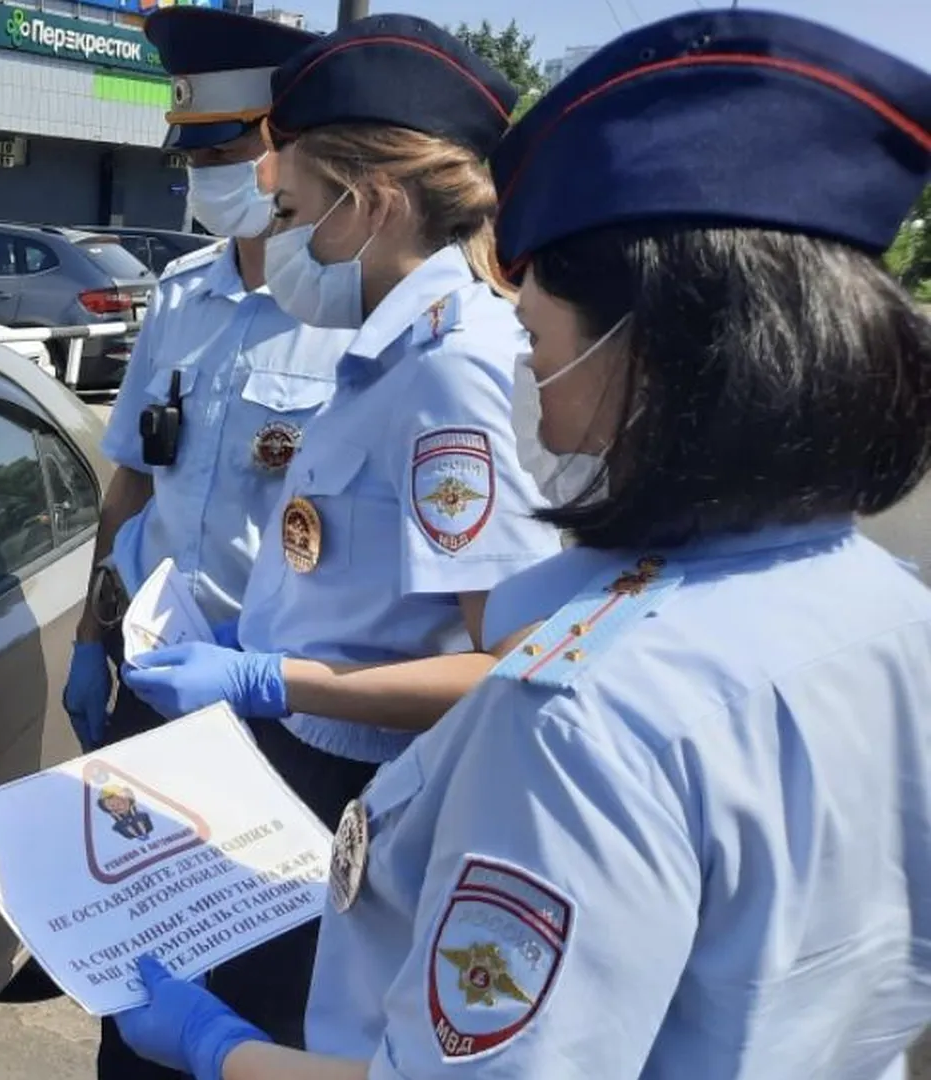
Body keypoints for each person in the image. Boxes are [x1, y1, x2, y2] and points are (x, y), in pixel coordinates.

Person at [114, 9, 931, 1079]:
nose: (529, 398)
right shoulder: (890, 606)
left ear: (652, 357)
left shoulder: (580, 715)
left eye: (538, 343)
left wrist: (219, 1052)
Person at [115, 13, 562, 1052]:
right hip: (298, 763)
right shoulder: (388, 349)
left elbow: (512, 670)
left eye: (297, 208)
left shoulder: (454, 366)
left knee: (276, 1039)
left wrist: (273, 680)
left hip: (359, 783)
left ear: (371, 206)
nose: (286, 240)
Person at [67, 5, 354, 752]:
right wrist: (90, 639)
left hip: (278, 701)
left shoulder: (353, 316)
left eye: (224, 155)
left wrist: (264, 679)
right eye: (193, 161)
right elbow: (132, 483)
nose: (206, 178)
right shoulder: (181, 292)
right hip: (153, 668)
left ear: (288, 147)